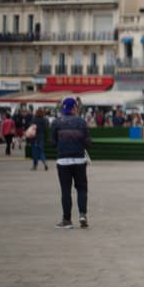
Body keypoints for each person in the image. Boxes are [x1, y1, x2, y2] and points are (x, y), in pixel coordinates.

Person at [51, 97, 92, 228]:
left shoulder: (56, 122)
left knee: (65, 190)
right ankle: (82, 215)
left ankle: (67, 220)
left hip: (63, 161)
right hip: (79, 160)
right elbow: (88, 142)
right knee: (81, 189)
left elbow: (52, 142)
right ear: (74, 107)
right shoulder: (81, 122)